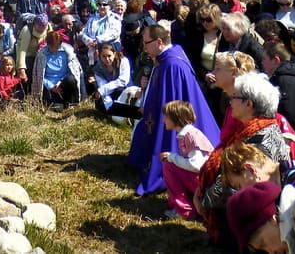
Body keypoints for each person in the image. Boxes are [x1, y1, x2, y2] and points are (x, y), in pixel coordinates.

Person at [195, 72, 292, 245]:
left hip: (256, 231)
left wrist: (203, 199)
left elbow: (233, 185)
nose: (230, 102)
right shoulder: (257, 130)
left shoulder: (259, 140)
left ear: (249, 103)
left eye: (234, 97)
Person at [128, 25, 221, 195]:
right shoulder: (169, 56)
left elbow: (170, 101)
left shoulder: (172, 65)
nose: (144, 48)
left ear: (159, 42)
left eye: (146, 43)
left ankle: (164, 169)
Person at [160, 100, 215, 220]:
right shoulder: (187, 134)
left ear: (176, 118)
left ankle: (184, 211)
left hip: (205, 182)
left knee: (169, 165)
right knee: (170, 163)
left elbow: (197, 165)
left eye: (166, 117)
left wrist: (172, 157)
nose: (164, 120)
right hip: (202, 179)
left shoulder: (190, 136)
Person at [30, 31, 82, 111]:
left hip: (63, 83)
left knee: (71, 79)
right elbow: (39, 76)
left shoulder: (67, 52)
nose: (55, 48)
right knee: (56, 106)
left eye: (57, 46)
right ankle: (56, 104)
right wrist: (51, 86)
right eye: (52, 46)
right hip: (49, 86)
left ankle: (71, 103)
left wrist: (60, 82)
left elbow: (71, 71)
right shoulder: (41, 54)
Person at [80, 0, 121, 66]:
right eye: (99, 4)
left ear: (110, 6)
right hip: (93, 50)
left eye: (104, 4)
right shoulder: (92, 19)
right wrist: (89, 41)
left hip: (110, 51)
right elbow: (83, 33)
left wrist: (97, 41)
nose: (102, 7)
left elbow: (114, 33)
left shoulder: (115, 18)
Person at [89, 43, 131, 112]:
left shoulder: (123, 61)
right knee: (100, 104)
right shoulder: (98, 69)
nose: (107, 59)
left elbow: (123, 81)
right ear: (100, 56)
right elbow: (102, 86)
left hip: (125, 89)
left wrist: (102, 90)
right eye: (104, 56)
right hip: (110, 93)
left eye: (109, 56)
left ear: (114, 54)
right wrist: (110, 107)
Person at [15, 14, 50, 94]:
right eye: (39, 25)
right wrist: (21, 69)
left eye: (44, 25)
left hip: (40, 56)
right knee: (27, 80)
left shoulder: (49, 28)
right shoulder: (27, 30)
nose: (42, 28)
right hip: (26, 56)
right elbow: (22, 51)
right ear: (34, 24)